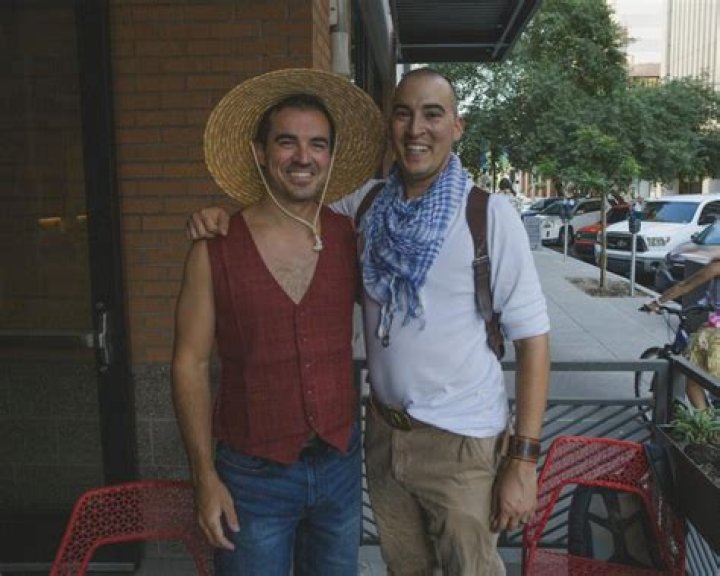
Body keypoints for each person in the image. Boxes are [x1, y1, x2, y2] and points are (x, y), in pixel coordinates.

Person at [187, 67, 551, 575]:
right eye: (403, 114)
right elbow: (289, 206)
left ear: (457, 126)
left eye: (432, 114)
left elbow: (534, 342)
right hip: (383, 436)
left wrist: (524, 461)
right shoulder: (367, 206)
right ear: (389, 126)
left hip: (461, 443)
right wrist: (220, 216)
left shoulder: (488, 216)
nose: (416, 129)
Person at [172, 68, 384, 575]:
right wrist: (204, 478)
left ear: (330, 156)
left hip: (338, 467)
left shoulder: (349, 238)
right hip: (251, 477)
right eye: (287, 142)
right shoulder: (215, 247)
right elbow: (189, 364)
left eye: (317, 144)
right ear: (260, 153)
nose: (303, 157)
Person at [645, 259, 720, 410]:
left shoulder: (716, 266)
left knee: (692, 379)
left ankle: (706, 422)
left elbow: (685, 285)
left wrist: (656, 303)